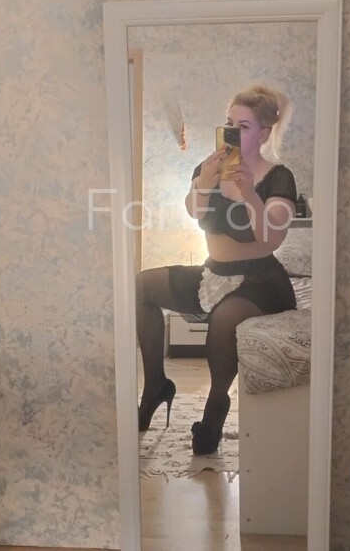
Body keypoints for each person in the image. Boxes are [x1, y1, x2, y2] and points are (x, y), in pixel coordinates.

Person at [136, 84, 298, 455]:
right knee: (140, 287)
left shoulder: (278, 177)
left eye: (243, 126)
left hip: (259, 280)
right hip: (213, 272)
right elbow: (195, 212)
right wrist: (204, 185)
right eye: (229, 123)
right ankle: (156, 385)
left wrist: (250, 194)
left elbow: (271, 239)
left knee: (224, 321)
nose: (232, 132)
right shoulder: (207, 168)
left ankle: (216, 403)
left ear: (264, 134)